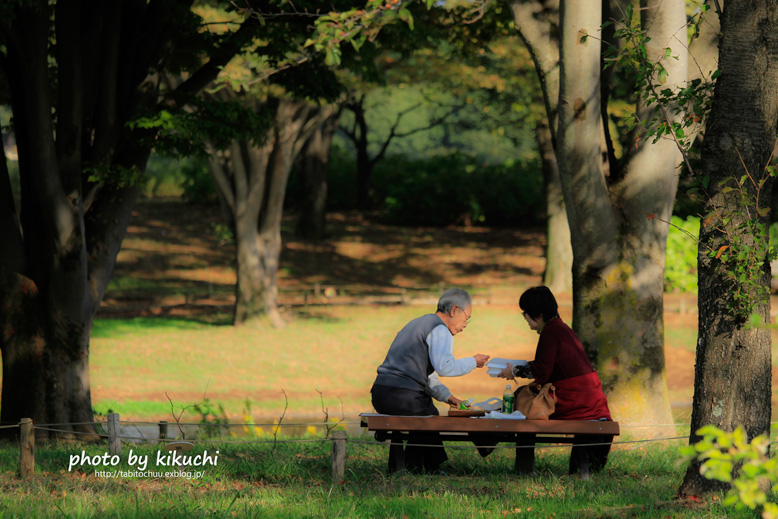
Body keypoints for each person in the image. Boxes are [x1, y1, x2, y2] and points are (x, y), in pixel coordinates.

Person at [370, 288, 490, 474]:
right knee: (428, 416)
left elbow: (427, 375)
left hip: (380, 393)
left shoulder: (418, 323)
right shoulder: (439, 329)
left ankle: (424, 466)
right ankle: (415, 468)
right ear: (454, 310)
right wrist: (473, 362)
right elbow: (445, 367)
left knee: (427, 410)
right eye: (467, 317)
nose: (466, 324)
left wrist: (450, 398)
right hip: (402, 395)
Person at [497, 286, 613, 471]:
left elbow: (542, 371)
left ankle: (518, 463)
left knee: (523, 405)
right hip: (587, 400)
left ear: (539, 313)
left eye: (526, 313)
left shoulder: (551, 332)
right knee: (523, 398)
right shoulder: (560, 328)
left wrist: (515, 371)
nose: (525, 318)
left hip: (575, 403)